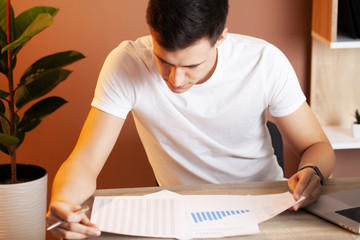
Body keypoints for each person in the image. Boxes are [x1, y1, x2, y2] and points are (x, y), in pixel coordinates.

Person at [46, 0, 336, 238]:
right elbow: (84, 161)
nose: (175, 80)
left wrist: (313, 171)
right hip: (182, 216)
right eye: (164, 61)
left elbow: (317, 145)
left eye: (191, 65)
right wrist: (64, 203)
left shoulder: (264, 62)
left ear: (221, 36)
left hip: (267, 210)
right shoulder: (128, 63)